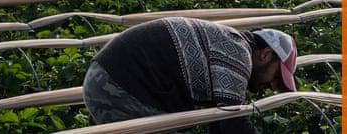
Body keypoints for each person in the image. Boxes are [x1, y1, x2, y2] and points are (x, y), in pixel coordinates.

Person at [82, 18, 297, 133]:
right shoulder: (237, 53)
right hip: (118, 86)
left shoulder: (231, 42)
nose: (272, 86)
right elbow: (230, 121)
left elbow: (217, 120)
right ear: (265, 55)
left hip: (110, 79)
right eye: (276, 77)